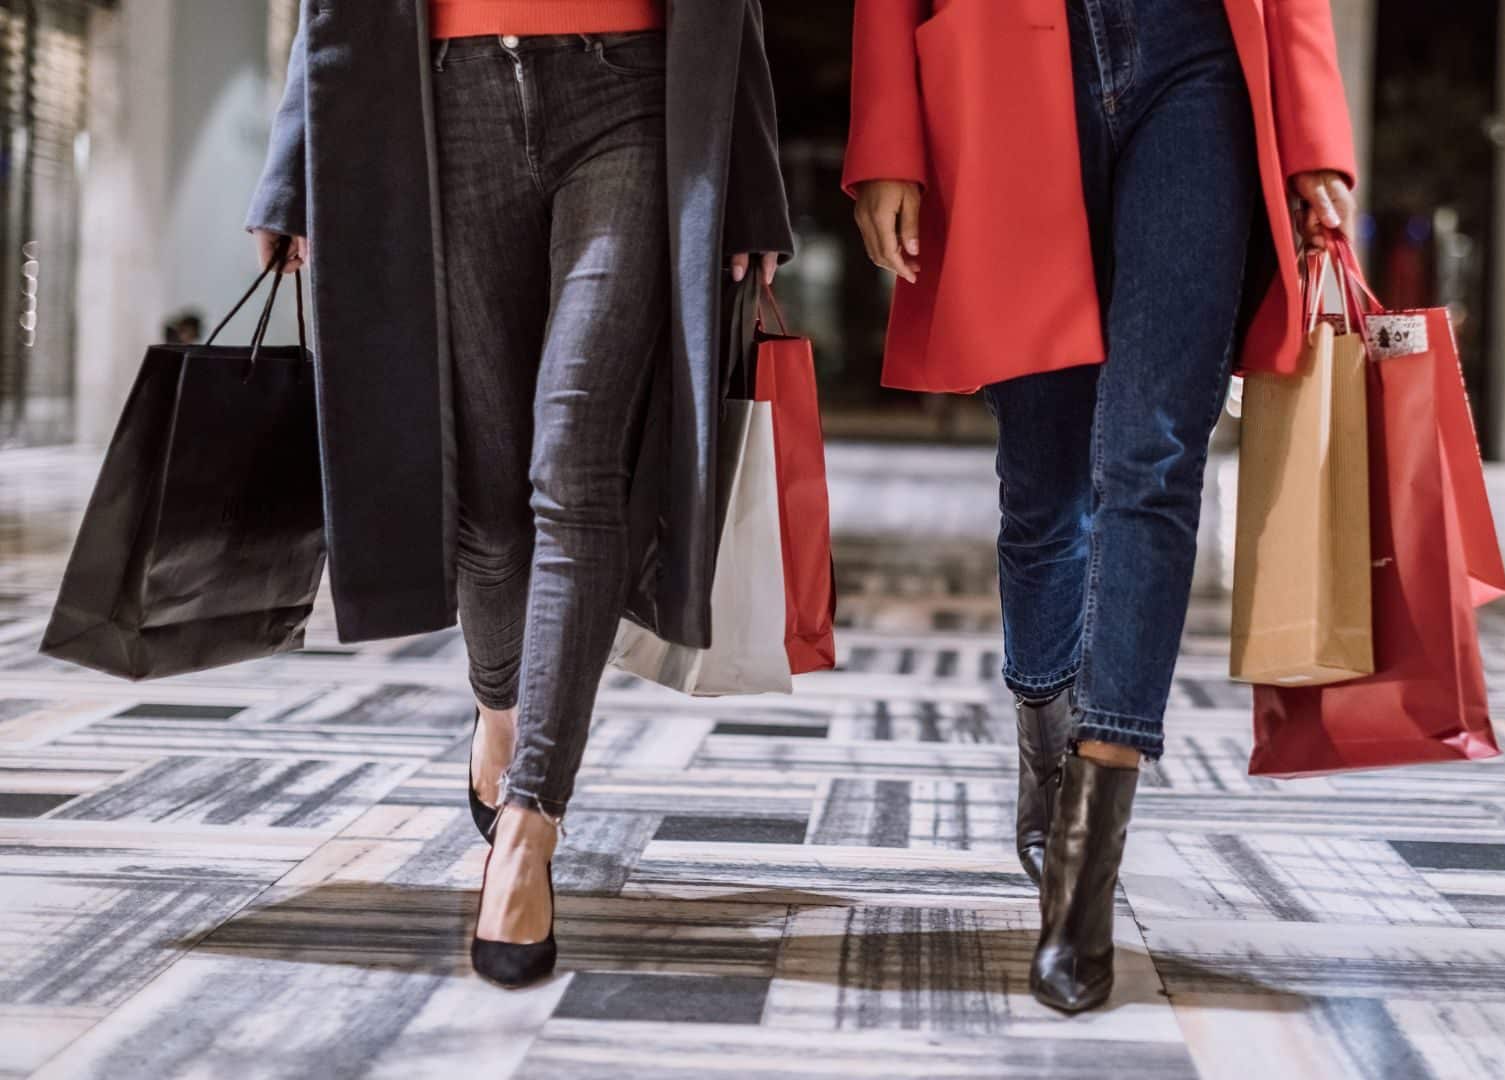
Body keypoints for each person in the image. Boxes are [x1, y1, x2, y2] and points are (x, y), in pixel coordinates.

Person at [246, 0, 792, 989]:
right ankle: (499, 700)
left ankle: (529, 826)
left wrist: (749, 173)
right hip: (442, 99)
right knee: (490, 509)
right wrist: (295, 160)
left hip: (631, 93)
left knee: (574, 465)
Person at [847, 0, 1358, 1013]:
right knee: (1044, 484)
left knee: (1154, 453)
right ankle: (1047, 725)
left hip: (1197, 59)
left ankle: (1090, 851)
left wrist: (1311, 130)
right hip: (1004, 60)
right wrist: (887, 138)